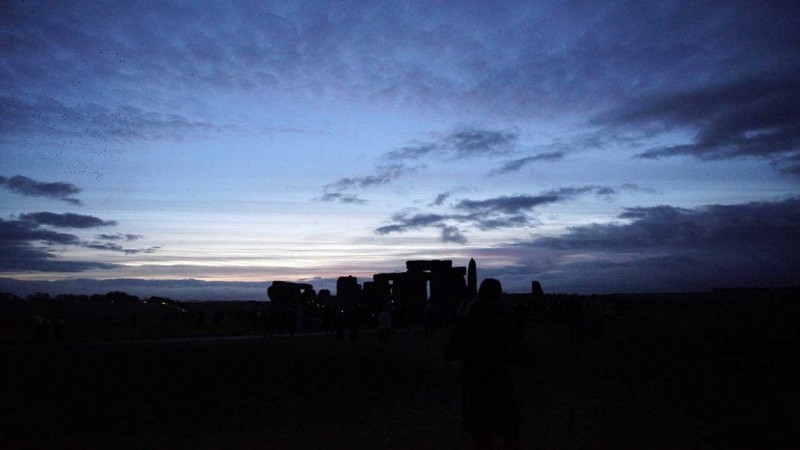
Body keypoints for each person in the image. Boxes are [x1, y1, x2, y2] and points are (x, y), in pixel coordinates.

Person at [445, 278, 535, 450]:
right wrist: (506, 356)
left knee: (481, 437)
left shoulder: (467, 320)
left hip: (474, 384)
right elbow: (527, 358)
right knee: (509, 433)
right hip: (500, 383)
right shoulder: (506, 321)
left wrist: (472, 353)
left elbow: (449, 353)